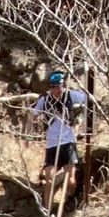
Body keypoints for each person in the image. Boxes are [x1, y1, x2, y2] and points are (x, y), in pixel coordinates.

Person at [31, 68, 88, 209]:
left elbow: (88, 100)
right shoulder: (44, 99)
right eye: (54, 86)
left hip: (68, 142)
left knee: (71, 177)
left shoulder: (70, 96)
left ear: (63, 85)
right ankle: (47, 211)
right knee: (49, 180)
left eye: (59, 86)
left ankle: (69, 198)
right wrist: (28, 132)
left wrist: (82, 120)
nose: (57, 90)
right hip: (51, 144)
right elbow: (32, 114)